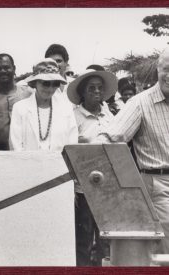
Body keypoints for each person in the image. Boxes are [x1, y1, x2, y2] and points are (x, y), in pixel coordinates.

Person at [95, 47, 169, 255]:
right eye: (166, 69)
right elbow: (110, 137)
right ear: (157, 70)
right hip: (158, 185)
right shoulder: (140, 103)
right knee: (166, 249)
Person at [67, 68, 117, 266]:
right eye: (91, 88)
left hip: (107, 187)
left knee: (107, 239)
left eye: (99, 88)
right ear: (82, 93)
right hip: (84, 188)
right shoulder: (74, 117)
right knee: (84, 239)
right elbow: (69, 151)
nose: (97, 92)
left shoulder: (109, 116)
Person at [10, 58, 78, 151]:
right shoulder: (20, 108)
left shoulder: (66, 108)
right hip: (27, 163)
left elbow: (72, 144)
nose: (50, 89)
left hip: (59, 163)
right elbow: (16, 145)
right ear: (35, 83)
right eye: (46, 83)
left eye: (55, 84)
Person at [0, 53, 33, 150]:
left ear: (14, 68)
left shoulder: (28, 93)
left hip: (24, 151)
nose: (3, 71)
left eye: (6, 67)